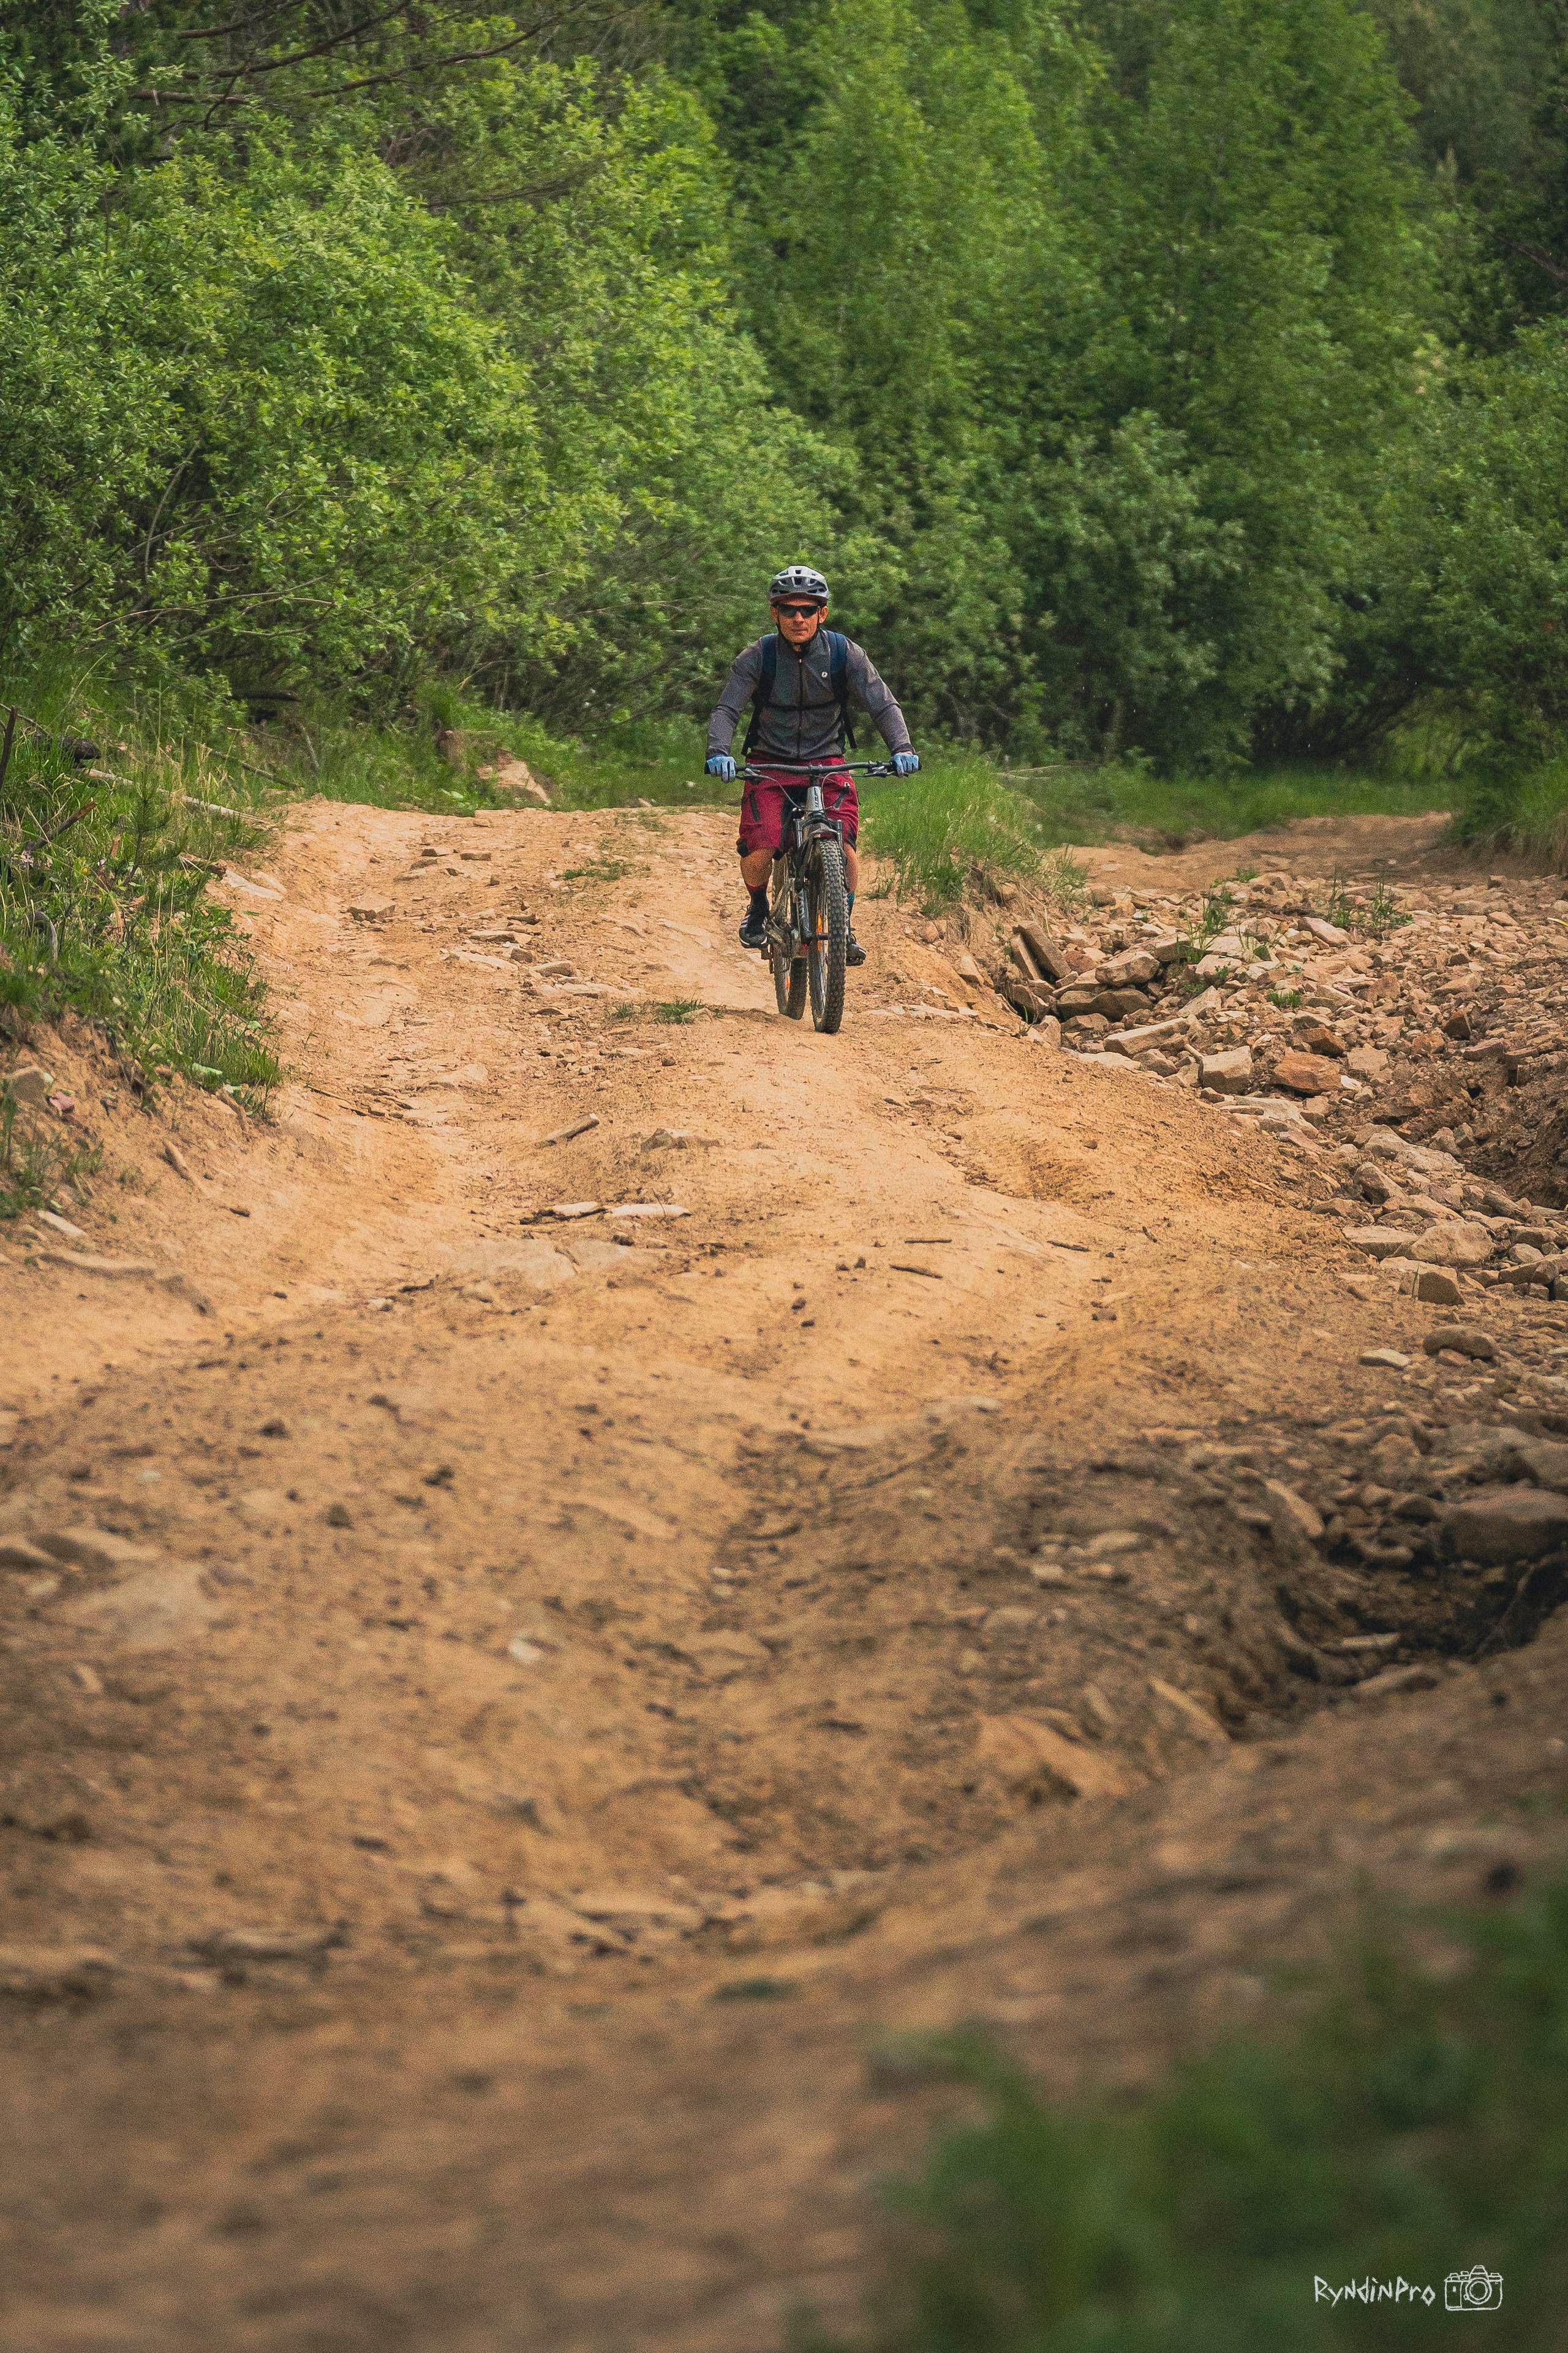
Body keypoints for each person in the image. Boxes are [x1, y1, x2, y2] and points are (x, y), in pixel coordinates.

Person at [705, 566, 919, 964]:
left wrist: (901, 748)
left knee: (845, 846)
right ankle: (757, 908)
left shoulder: (844, 653)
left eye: (808, 610)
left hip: (828, 761)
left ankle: (843, 929)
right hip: (770, 763)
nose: (798, 618)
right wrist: (719, 752)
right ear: (775, 613)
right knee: (762, 844)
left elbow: (882, 702)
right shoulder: (759, 656)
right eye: (789, 610)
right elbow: (727, 708)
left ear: (823, 613)